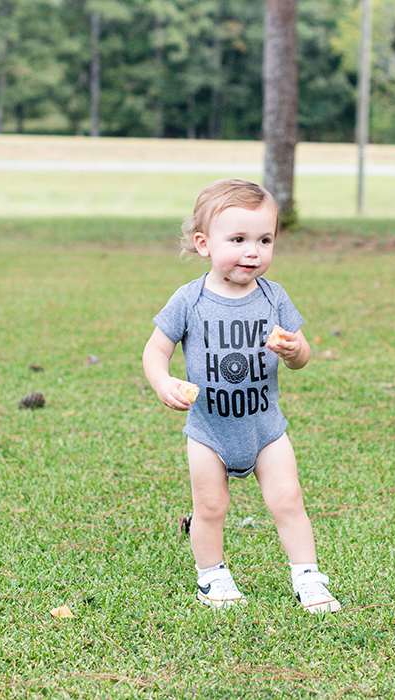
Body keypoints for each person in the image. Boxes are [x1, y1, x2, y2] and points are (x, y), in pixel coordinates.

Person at [143, 178, 340, 614]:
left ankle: (308, 576)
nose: (253, 251)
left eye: (264, 239)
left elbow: (302, 355)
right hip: (209, 429)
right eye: (238, 239)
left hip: (266, 428)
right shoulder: (189, 300)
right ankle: (211, 577)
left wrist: (295, 351)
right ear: (204, 244)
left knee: (289, 500)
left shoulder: (274, 297)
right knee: (210, 506)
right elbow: (155, 350)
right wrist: (163, 381)